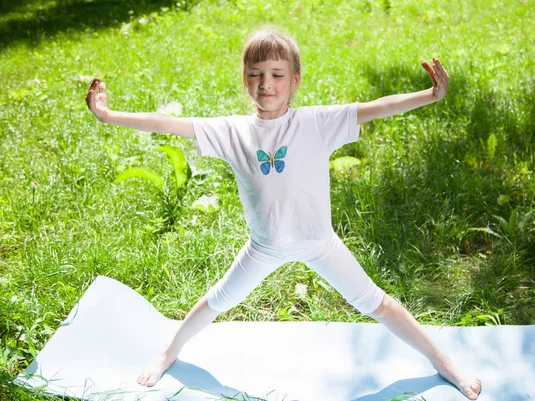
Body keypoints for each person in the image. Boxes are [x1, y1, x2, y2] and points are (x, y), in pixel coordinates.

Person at [86, 26, 482, 400]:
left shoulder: (316, 124)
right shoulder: (232, 132)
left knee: (377, 304)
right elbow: (169, 124)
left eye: (277, 74)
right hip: (264, 247)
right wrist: (109, 115)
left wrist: (429, 95)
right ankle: (167, 352)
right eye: (256, 74)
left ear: (295, 80)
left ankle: (443, 361)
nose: (266, 84)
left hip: (319, 244)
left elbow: (374, 108)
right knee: (217, 301)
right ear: (245, 80)